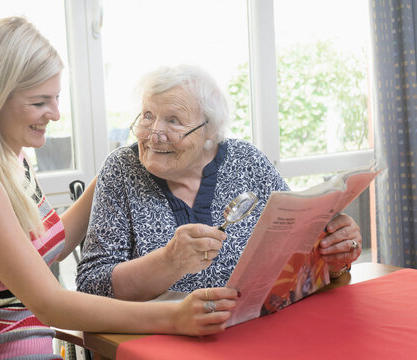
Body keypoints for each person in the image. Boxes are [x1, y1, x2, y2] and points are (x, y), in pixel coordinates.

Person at [0, 18, 239, 359]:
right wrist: (174, 316)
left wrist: (115, 176)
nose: (54, 114)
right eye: (39, 102)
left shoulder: (14, 161)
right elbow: (50, 304)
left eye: (56, 98)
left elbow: (43, 246)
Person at [76, 64, 363, 301]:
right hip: (161, 341)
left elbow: (298, 250)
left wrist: (334, 253)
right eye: (148, 116)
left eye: (173, 120)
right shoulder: (121, 169)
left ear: (210, 131)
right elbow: (90, 286)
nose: (154, 134)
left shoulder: (246, 160)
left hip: (255, 330)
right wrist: (168, 262)